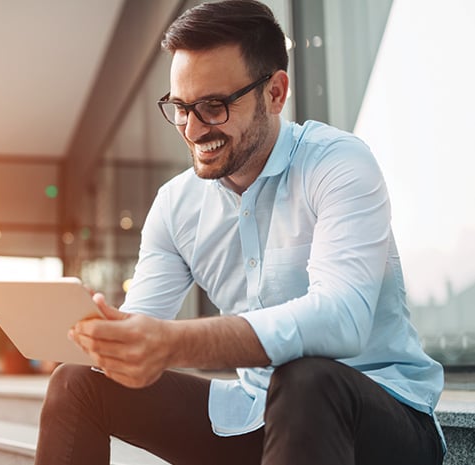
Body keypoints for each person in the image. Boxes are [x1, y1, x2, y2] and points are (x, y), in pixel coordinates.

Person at [33, 1, 446, 464]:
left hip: (382, 418)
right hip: (257, 413)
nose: (192, 129)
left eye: (213, 106)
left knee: (306, 377)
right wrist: (107, 340)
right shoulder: (177, 204)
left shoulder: (337, 163)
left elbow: (340, 318)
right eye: (180, 107)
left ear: (275, 92)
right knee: (76, 383)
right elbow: (141, 324)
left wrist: (174, 341)